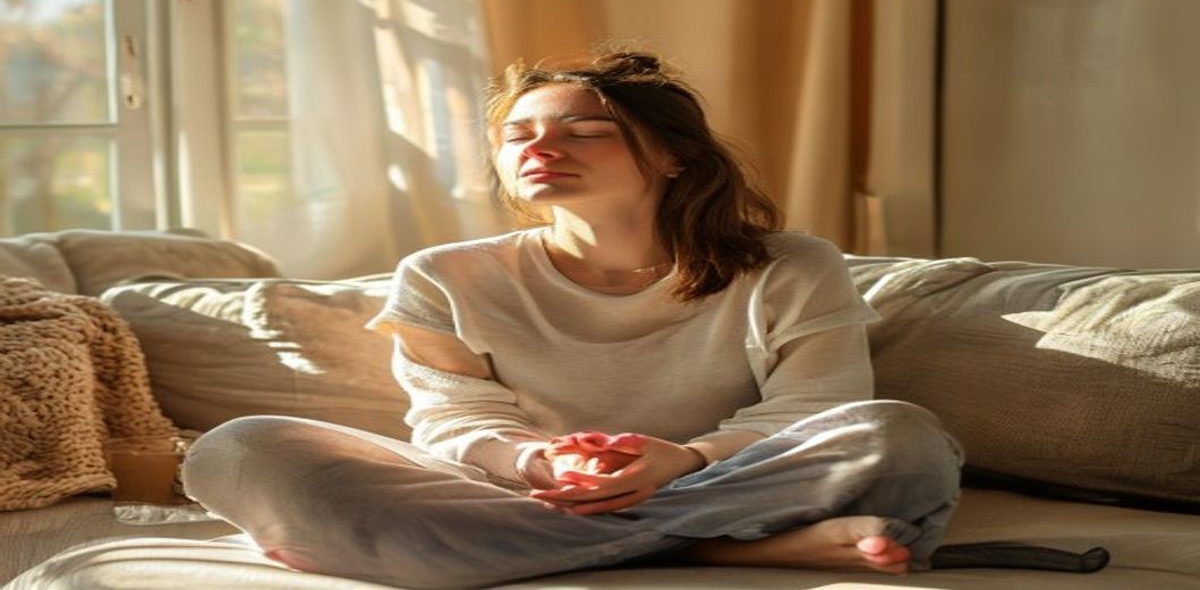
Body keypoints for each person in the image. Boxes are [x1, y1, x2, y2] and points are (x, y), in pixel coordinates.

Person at [183, 51, 964, 589]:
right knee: (237, 451)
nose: (540, 147)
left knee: (900, 437)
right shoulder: (444, 275)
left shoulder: (790, 265)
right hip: (518, 491)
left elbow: (818, 409)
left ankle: (446, 555)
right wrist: (536, 464)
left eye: (584, 132)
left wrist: (683, 459)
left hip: (724, 475)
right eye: (517, 134)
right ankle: (709, 547)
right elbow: (456, 422)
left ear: (675, 158)